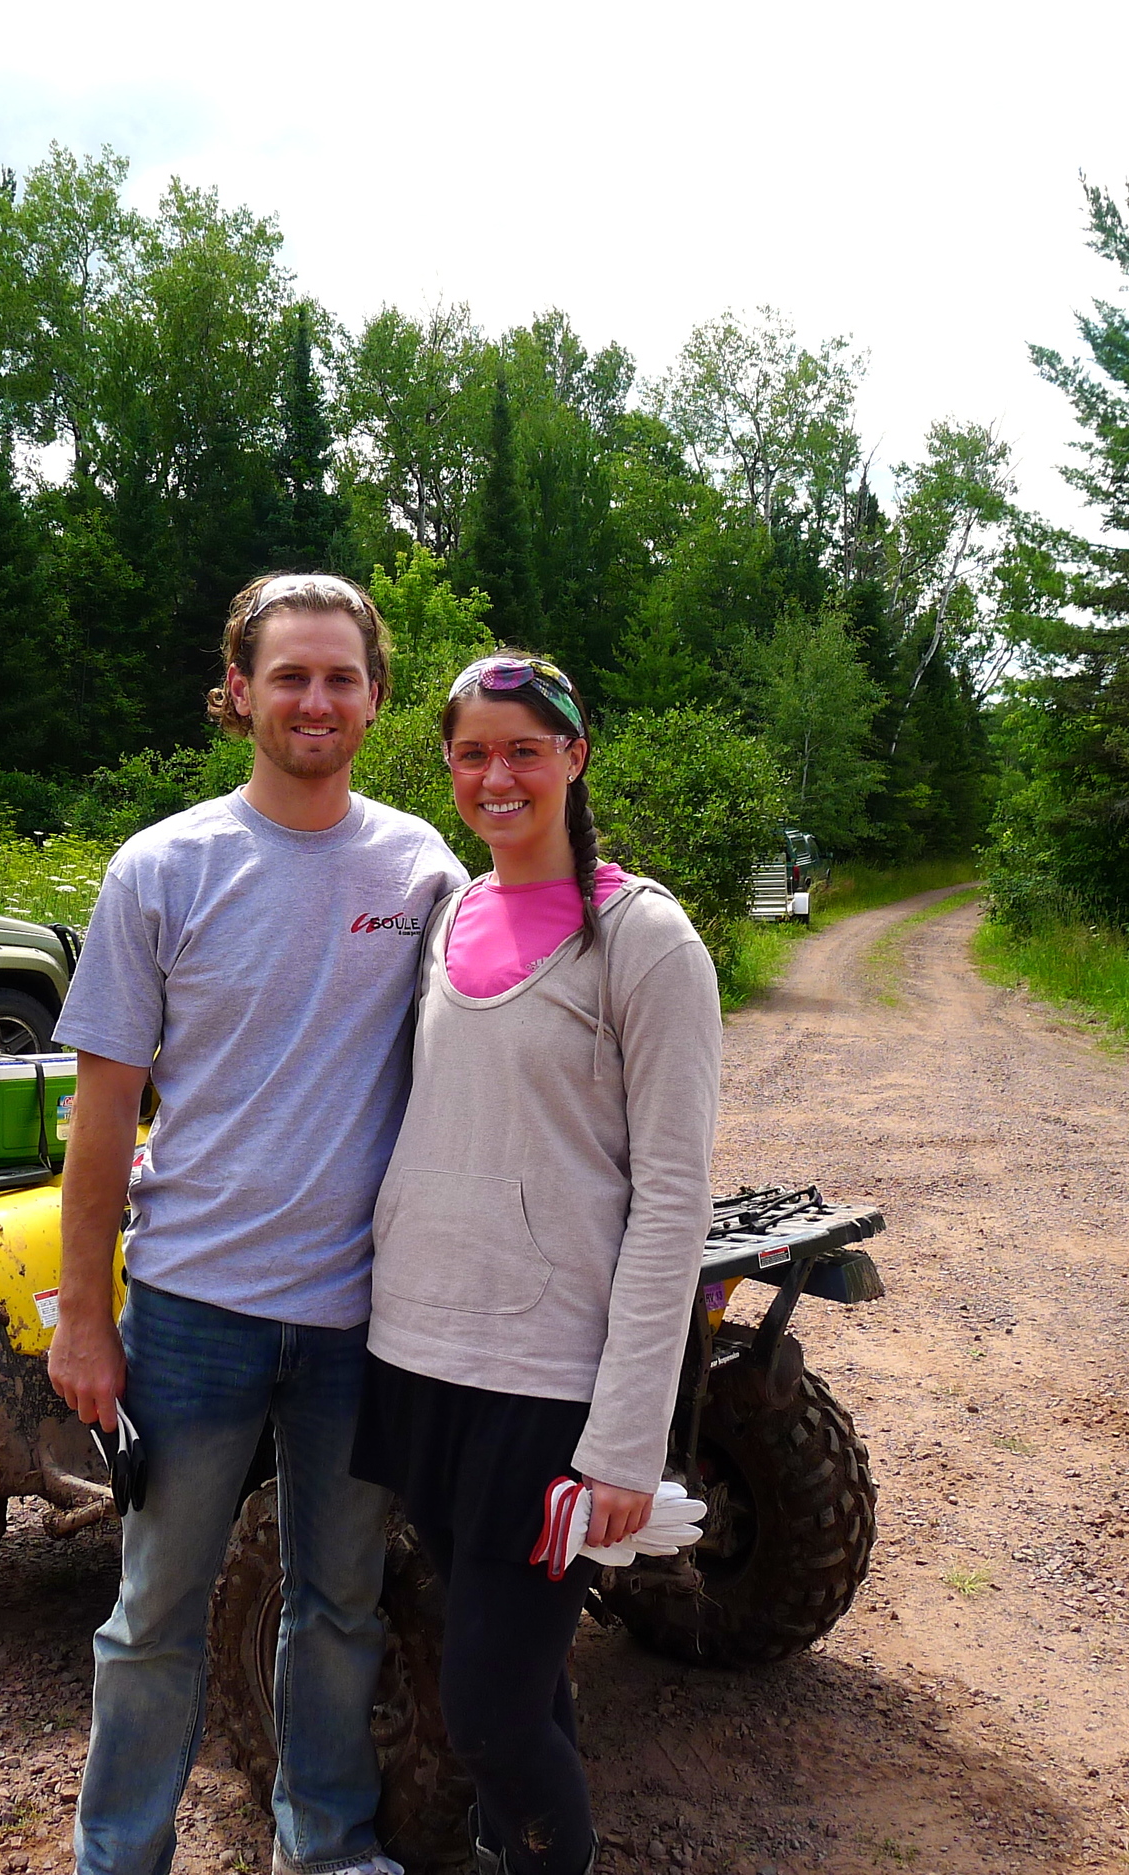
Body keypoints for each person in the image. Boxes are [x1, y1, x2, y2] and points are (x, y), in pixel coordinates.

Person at [48, 571, 467, 1875]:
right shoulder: (163, 867)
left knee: (340, 1604)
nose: (316, 698)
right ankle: (122, 1852)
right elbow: (105, 1111)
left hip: (358, 1318)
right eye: (289, 674)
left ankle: (325, 1840)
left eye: (342, 675)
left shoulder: (421, 868)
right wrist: (85, 1317)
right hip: (194, 1311)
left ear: (377, 696)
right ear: (238, 690)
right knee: (156, 1610)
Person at [351, 652, 722, 1875]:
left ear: (574, 756)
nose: (496, 775)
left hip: (544, 1386)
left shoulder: (641, 937)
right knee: (513, 1678)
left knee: (487, 1713)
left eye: (523, 749)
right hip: (421, 1357)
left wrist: (623, 1440)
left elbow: (672, 1200)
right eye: (471, 752)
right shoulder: (450, 915)